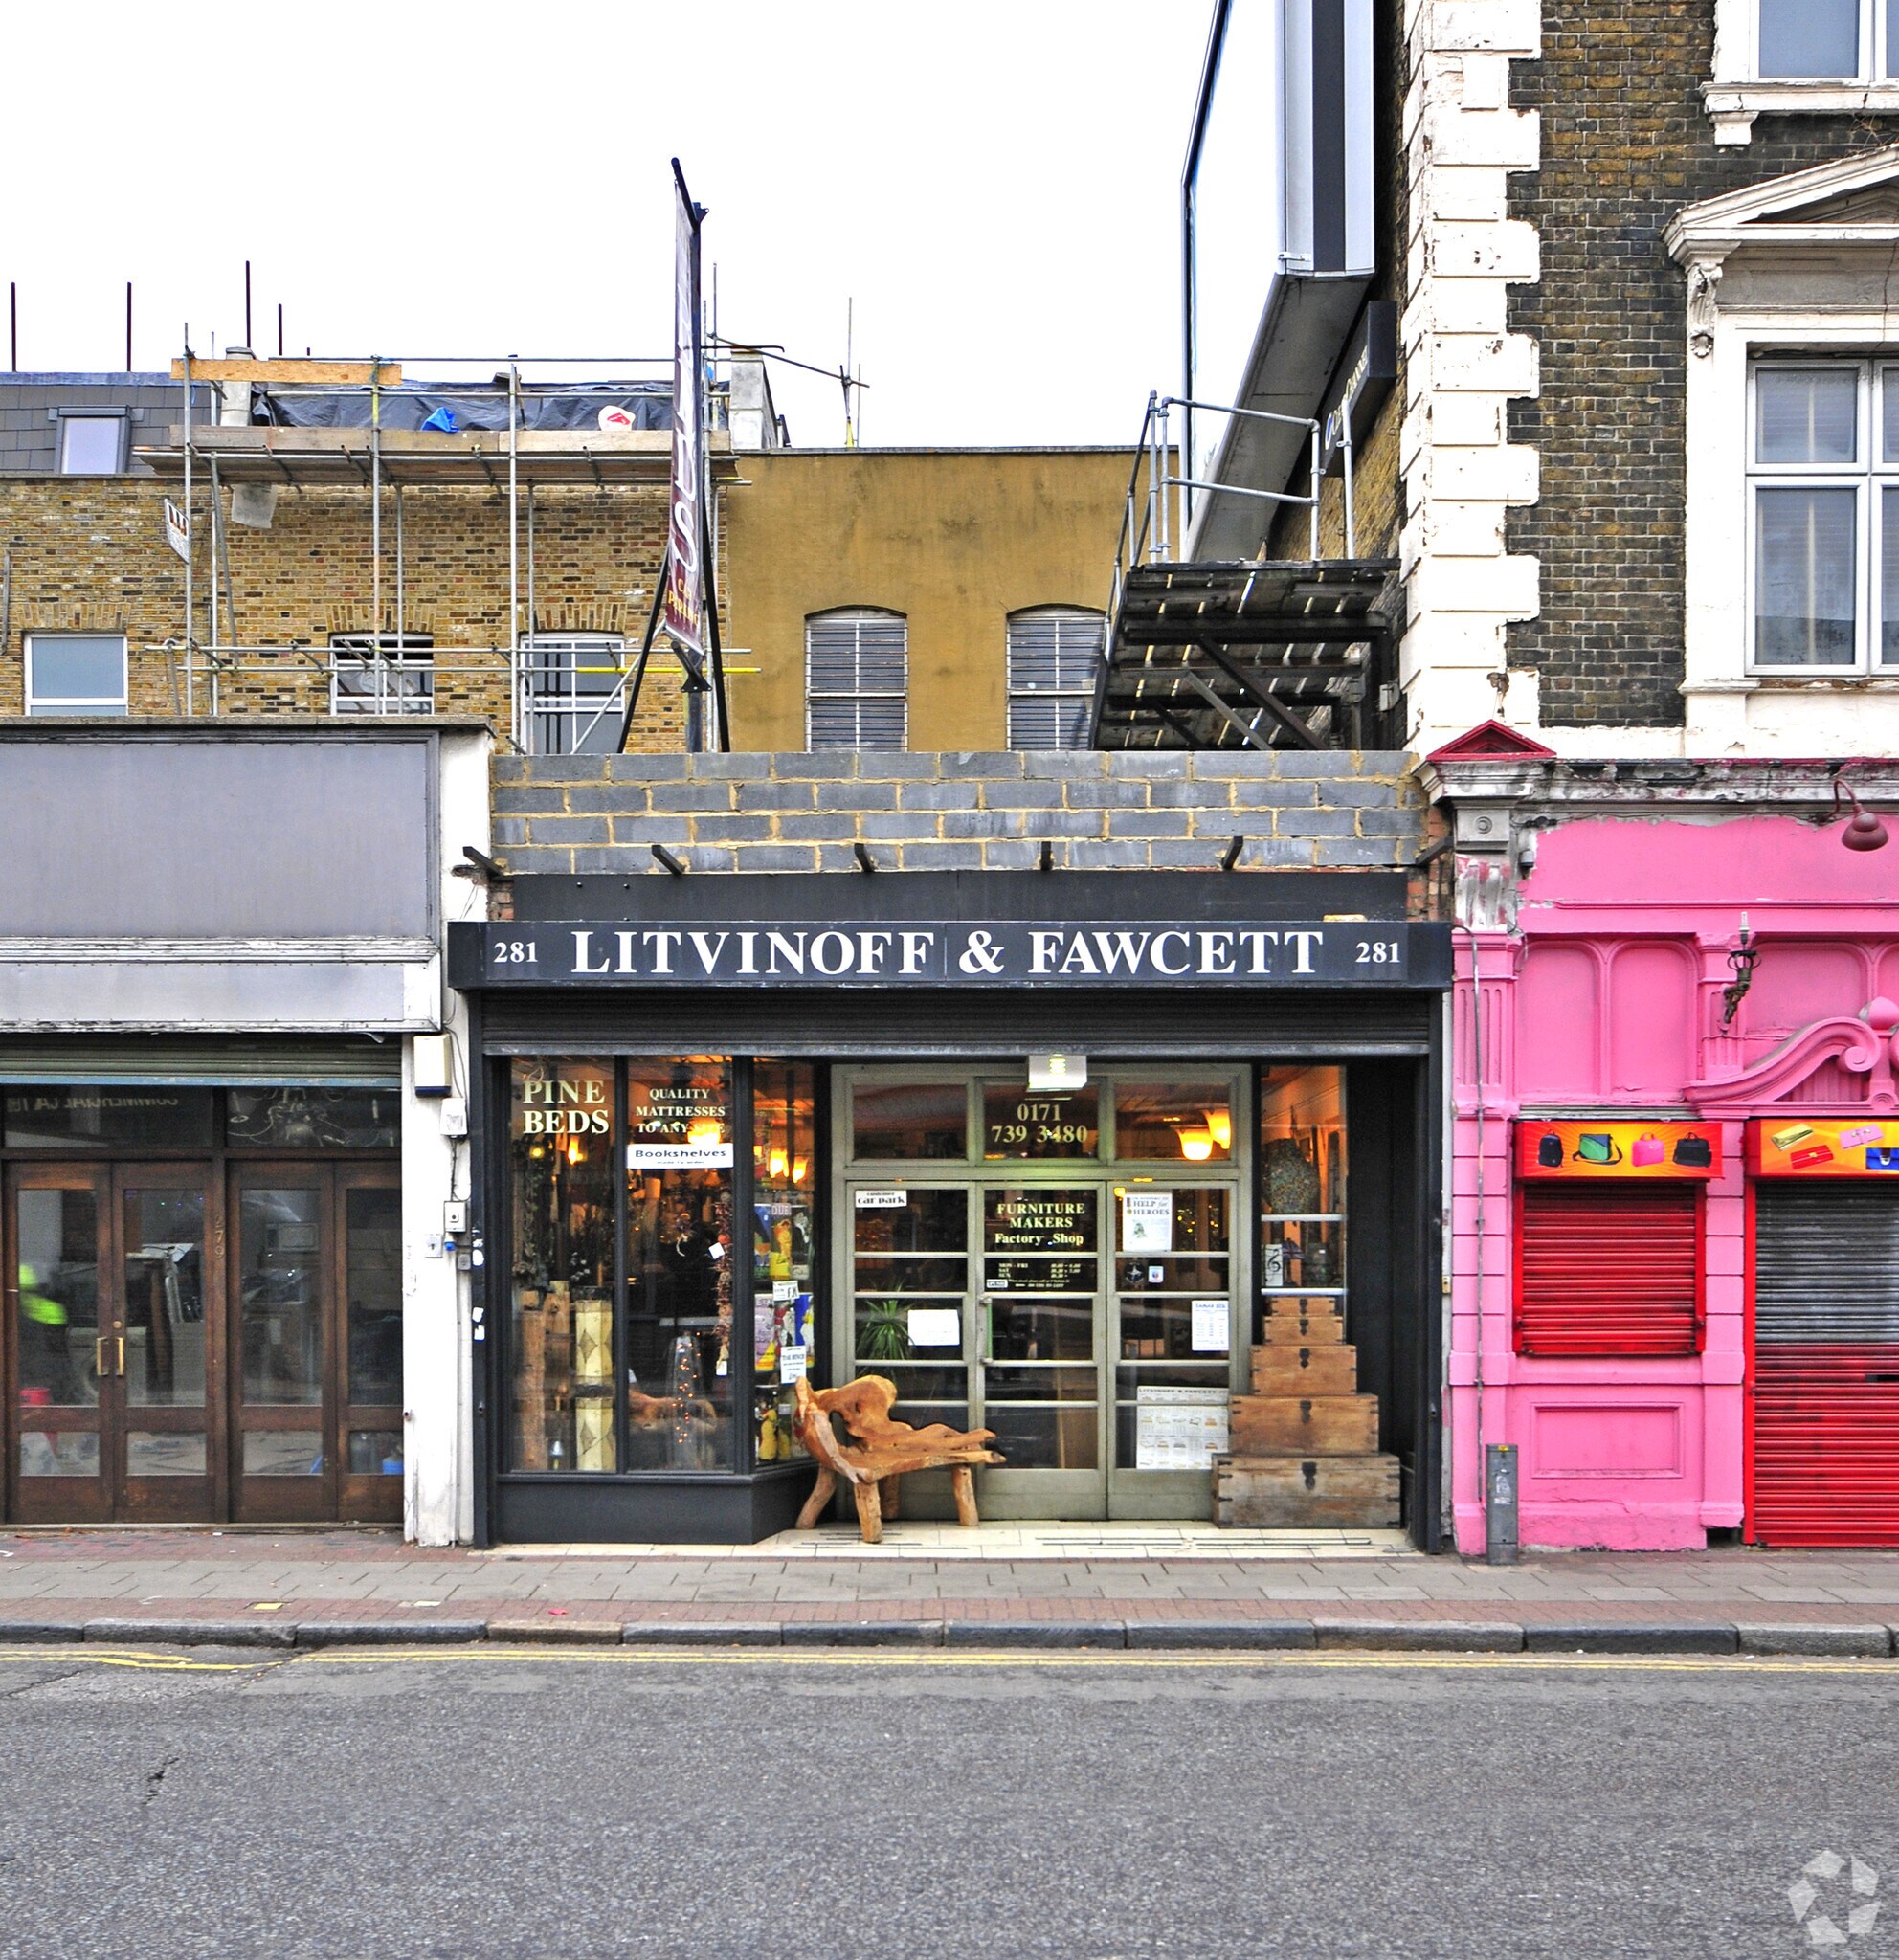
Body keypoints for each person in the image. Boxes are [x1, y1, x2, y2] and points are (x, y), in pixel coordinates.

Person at [18, 1262, 76, 1403]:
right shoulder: (51, 1309)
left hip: (44, 1369)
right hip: (42, 1369)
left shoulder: (50, 1310)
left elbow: (59, 1349)